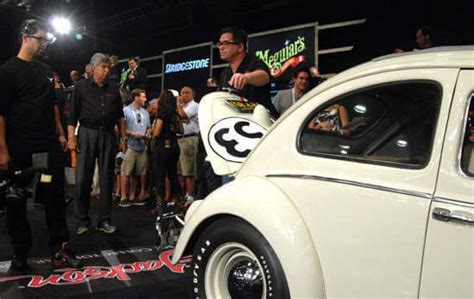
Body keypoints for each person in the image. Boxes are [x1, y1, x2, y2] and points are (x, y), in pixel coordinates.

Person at [0, 19, 82, 271]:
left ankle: (60, 249)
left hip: (45, 150)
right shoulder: (7, 71)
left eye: (47, 40)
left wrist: (59, 133)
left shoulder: (46, 71)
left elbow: (52, 107)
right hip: (18, 149)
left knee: (51, 196)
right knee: (16, 198)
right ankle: (20, 252)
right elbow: (0, 114)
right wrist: (2, 150)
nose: (45, 43)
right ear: (25, 37)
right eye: (41, 38)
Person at [68, 53, 126, 235]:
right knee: (82, 179)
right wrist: (71, 137)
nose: (107, 70)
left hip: (108, 135)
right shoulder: (80, 86)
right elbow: (72, 115)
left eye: (109, 67)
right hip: (86, 133)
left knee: (107, 179)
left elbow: (120, 117)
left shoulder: (114, 88)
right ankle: (83, 220)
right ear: (94, 68)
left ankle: (104, 220)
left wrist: (123, 138)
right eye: (104, 67)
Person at [217, 26, 278, 118]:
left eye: (225, 43)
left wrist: (245, 78)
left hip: (264, 122)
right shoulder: (225, 73)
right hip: (238, 122)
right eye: (220, 43)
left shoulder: (255, 63)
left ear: (240, 47)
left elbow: (264, 76)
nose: (221, 47)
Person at [152, 90, 183, 213]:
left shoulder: (162, 113)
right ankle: (177, 203)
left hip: (162, 148)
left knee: (160, 176)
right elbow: (181, 130)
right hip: (174, 147)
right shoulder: (175, 114)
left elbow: (157, 132)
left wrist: (152, 132)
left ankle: (160, 207)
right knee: (173, 176)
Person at [120, 88, 151, 207]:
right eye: (143, 97)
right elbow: (122, 128)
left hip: (142, 145)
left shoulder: (145, 112)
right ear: (136, 97)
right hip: (130, 145)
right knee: (126, 171)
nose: (145, 99)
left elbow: (148, 126)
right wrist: (132, 134)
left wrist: (148, 133)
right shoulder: (125, 111)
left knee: (138, 172)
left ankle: (132, 195)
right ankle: (123, 196)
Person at [176, 85, 199, 202]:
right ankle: (182, 193)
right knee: (180, 170)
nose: (184, 95)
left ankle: (190, 195)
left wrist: (178, 105)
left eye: (187, 93)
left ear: (193, 94)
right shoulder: (182, 106)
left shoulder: (194, 105)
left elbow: (182, 115)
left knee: (188, 169)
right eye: (182, 93)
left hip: (189, 139)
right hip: (179, 139)